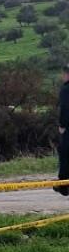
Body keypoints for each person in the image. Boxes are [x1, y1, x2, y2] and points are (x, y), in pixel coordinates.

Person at [58, 65, 69, 196]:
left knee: (65, 154)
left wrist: (62, 125)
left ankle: (64, 185)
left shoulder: (66, 89)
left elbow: (65, 108)